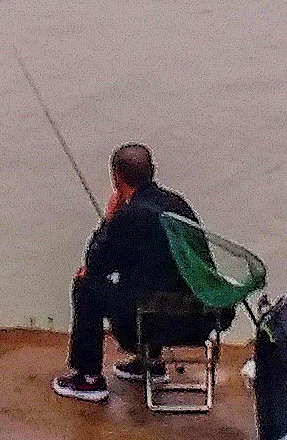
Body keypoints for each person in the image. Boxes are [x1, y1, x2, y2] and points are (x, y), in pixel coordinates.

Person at [58, 143, 199, 403]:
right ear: (152, 171)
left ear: (116, 179)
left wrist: (110, 216)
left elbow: (95, 264)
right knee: (157, 282)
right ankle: (151, 362)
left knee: (86, 286)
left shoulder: (128, 216)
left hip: (147, 323)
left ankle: (89, 378)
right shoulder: (178, 205)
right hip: (196, 321)